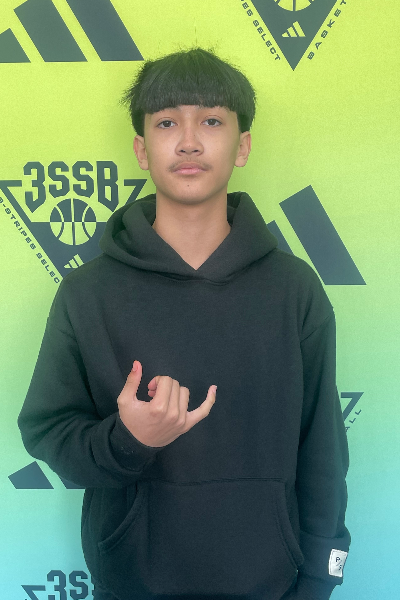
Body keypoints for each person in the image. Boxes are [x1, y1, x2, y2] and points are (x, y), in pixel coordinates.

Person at [18, 46, 350, 600]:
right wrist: (129, 441)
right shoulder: (87, 293)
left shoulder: (294, 289)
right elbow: (49, 433)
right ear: (141, 150)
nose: (190, 141)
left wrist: (321, 576)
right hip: (133, 584)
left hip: (275, 584)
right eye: (167, 122)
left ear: (242, 146)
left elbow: (323, 452)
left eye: (212, 121)